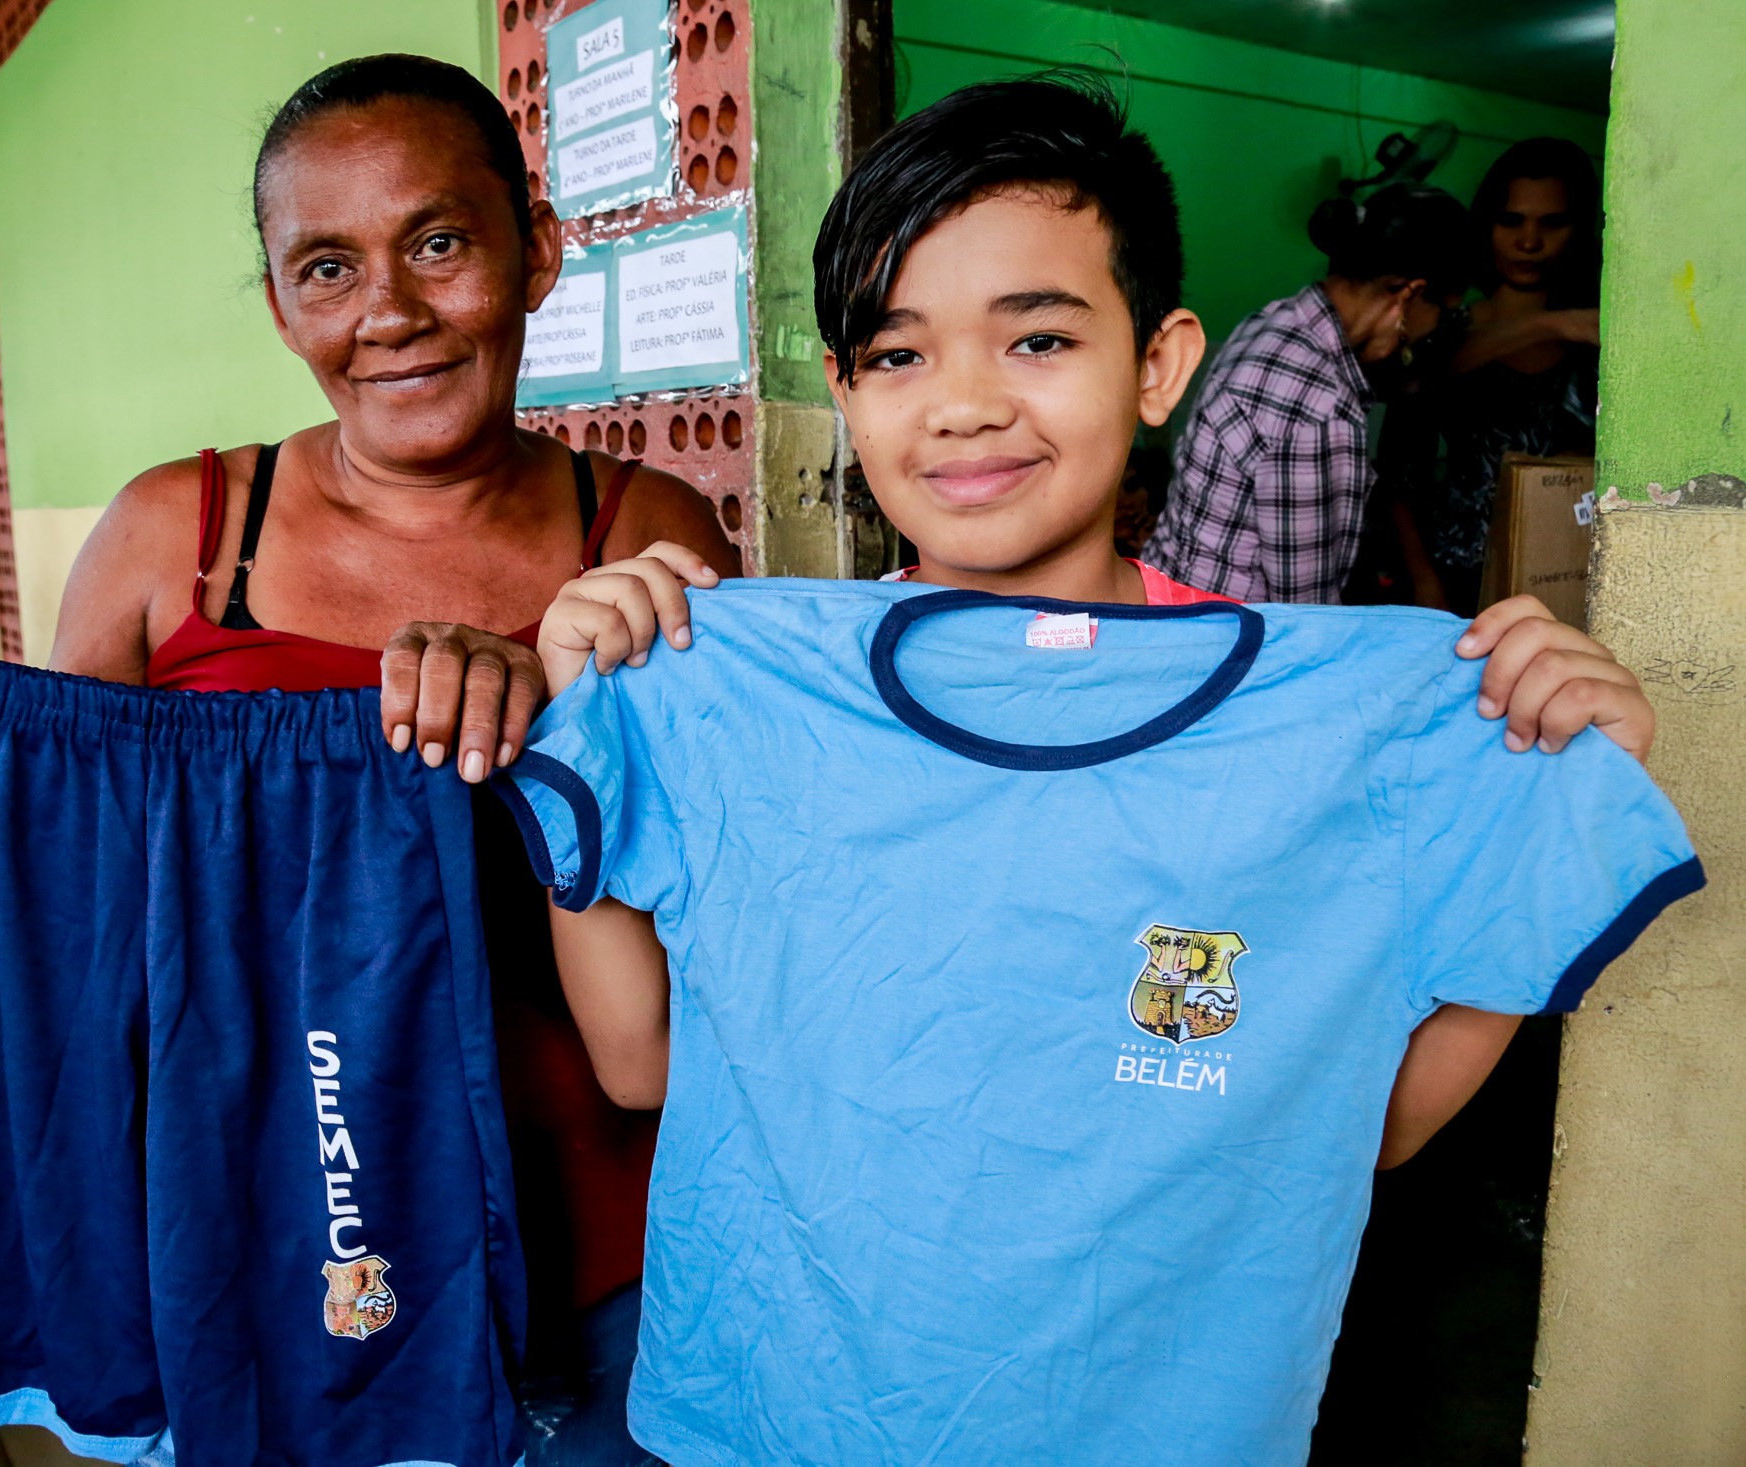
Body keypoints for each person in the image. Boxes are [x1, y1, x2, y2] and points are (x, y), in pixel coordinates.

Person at [490, 75, 1672, 1465]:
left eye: (1038, 336)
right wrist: (594, 712)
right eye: (897, 353)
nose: (965, 406)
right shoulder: (732, 686)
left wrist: (1541, 786)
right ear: (848, 393)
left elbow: (1370, 1124)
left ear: (1161, 362)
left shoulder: (1340, 735)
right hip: (778, 1420)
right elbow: (639, 1060)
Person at [0, 54, 736, 1464]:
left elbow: (729, 915)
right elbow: (58, 903)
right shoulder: (182, 535)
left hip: (602, 1248)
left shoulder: (650, 540)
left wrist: (555, 712)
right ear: (282, 305)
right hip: (282, 1246)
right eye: (328, 268)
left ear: (539, 255)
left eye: (443, 243)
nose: (391, 313)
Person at [1145, 184, 1473, 603]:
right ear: (1410, 293)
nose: (1432, 334)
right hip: (1224, 636)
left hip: (1168, 595)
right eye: (1443, 314)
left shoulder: (1276, 320)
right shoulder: (1319, 407)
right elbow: (1304, 614)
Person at [1403, 138, 1603, 615]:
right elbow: (1398, 474)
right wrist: (1422, 582)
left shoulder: (1596, 344)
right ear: (1486, 224)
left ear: (1579, 230)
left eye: (1552, 223)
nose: (1529, 242)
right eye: (1510, 220)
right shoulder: (1447, 328)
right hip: (1449, 580)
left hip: (1563, 576)